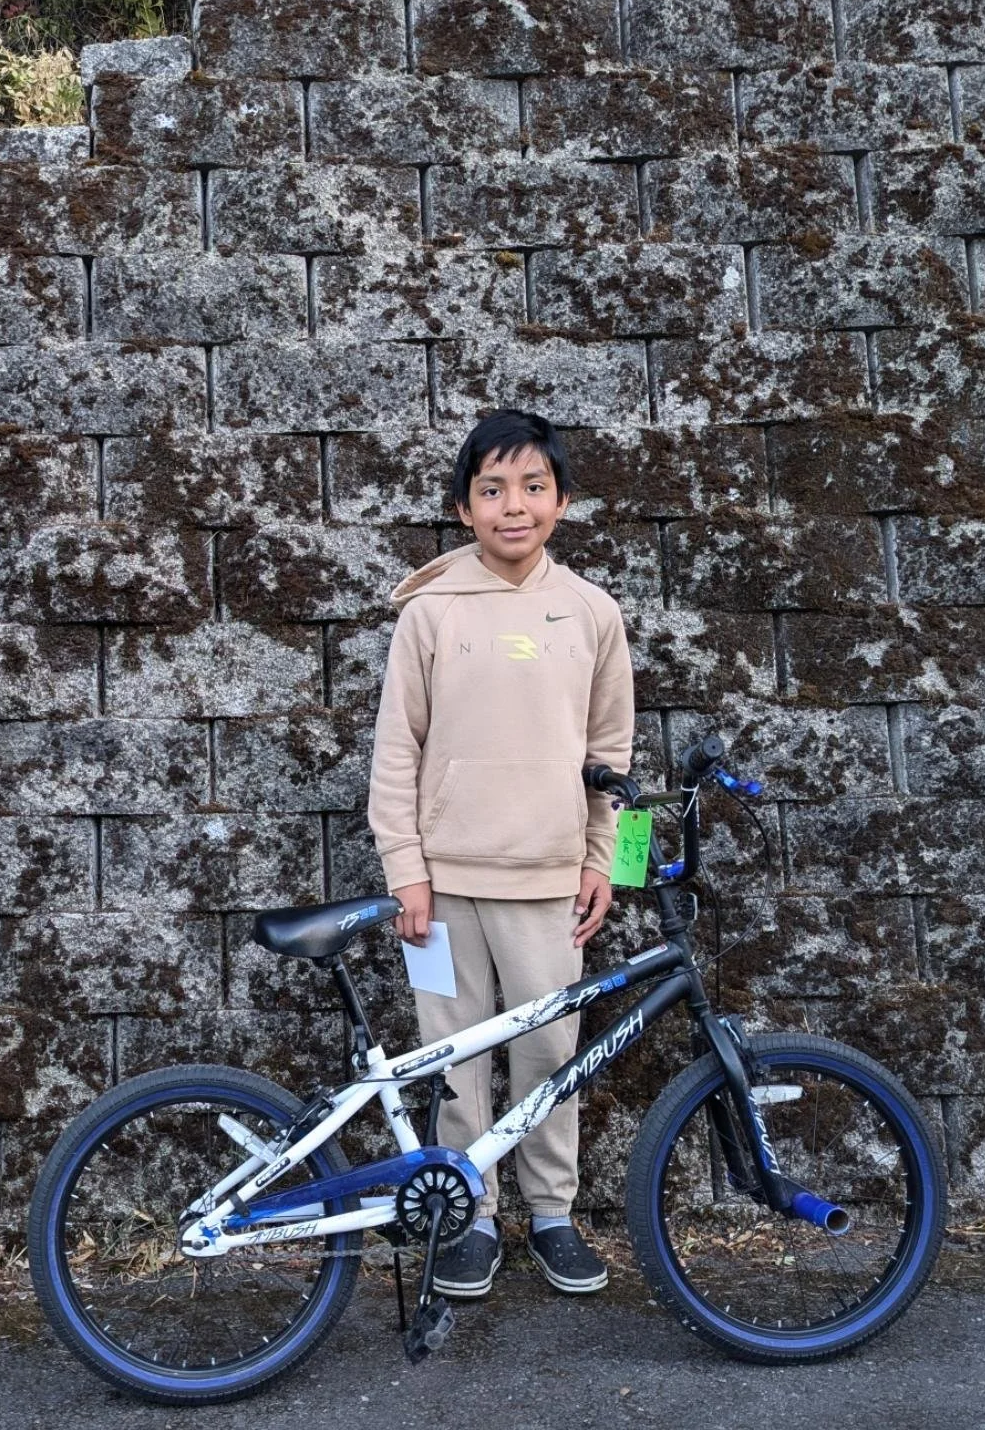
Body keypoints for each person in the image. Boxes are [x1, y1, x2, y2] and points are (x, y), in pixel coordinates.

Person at [367, 408, 634, 1301]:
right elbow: (395, 749)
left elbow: (614, 753)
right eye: (490, 490)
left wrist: (608, 864)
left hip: (551, 883)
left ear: (560, 501)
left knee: (551, 1058)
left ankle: (552, 1214)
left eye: (531, 487)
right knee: (454, 1062)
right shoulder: (429, 613)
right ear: (463, 505)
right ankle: (470, 1215)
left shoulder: (592, 614)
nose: (511, 507)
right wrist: (405, 866)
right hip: (441, 888)